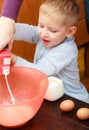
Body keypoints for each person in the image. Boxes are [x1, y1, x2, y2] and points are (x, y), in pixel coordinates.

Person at [10, 0, 89, 103]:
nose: (43, 33)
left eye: (53, 30)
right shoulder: (46, 35)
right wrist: (9, 28)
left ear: (69, 32)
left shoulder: (65, 50)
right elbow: (28, 31)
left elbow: (40, 72)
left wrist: (14, 60)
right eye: (41, 25)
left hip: (72, 99)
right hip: (52, 96)